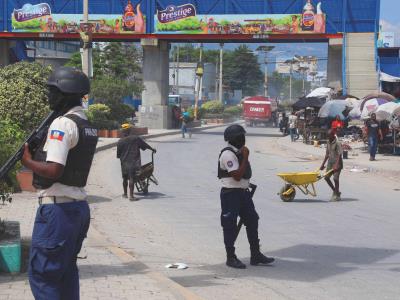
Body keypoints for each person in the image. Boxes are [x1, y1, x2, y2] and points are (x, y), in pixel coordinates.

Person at [21, 67, 98, 300]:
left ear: (65, 94)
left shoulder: (62, 125)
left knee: (43, 276)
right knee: (65, 274)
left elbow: (54, 169)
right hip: (77, 209)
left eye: (52, 91)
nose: (48, 96)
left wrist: (27, 160)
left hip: (57, 211)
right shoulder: (86, 123)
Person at [218, 124, 275, 269]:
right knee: (229, 225)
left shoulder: (239, 152)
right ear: (234, 139)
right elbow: (236, 176)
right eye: (240, 137)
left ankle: (255, 254)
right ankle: (231, 257)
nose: (243, 139)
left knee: (252, 220)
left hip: (243, 193)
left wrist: (244, 156)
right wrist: (246, 157)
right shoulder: (228, 154)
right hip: (230, 194)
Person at [117, 124, 156, 201]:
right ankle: (131, 196)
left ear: (123, 131)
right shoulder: (136, 138)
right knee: (131, 178)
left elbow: (118, 155)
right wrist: (152, 149)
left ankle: (125, 194)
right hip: (134, 162)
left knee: (125, 178)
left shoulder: (120, 141)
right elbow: (145, 145)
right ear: (130, 130)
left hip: (124, 163)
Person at [320, 129, 343, 201]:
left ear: (333, 135)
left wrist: (336, 165)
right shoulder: (328, 142)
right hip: (330, 162)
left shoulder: (337, 142)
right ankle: (336, 191)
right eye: (327, 136)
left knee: (335, 178)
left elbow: (340, 154)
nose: (328, 137)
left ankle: (336, 195)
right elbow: (327, 154)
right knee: (326, 178)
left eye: (329, 136)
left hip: (337, 163)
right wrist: (322, 164)